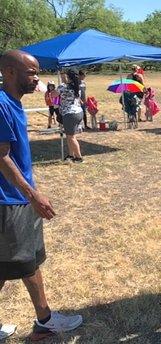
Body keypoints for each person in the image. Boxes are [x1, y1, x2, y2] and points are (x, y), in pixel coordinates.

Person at [0, 50, 82, 341]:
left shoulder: (12, 102)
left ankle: (44, 318)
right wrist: (32, 195)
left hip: (16, 197)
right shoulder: (1, 104)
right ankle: (45, 319)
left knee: (8, 262)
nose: (36, 78)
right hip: (10, 200)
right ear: (9, 72)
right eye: (30, 72)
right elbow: (2, 157)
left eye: (36, 72)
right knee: (26, 262)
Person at [54, 70, 84, 163]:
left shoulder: (63, 86)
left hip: (69, 114)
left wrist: (54, 89)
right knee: (70, 135)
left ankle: (79, 157)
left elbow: (53, 95)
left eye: (64, 75)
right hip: (78, 112)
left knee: (71, 137)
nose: (63, 77)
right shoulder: (77, 86)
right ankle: (71, 155)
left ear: (68, 77)